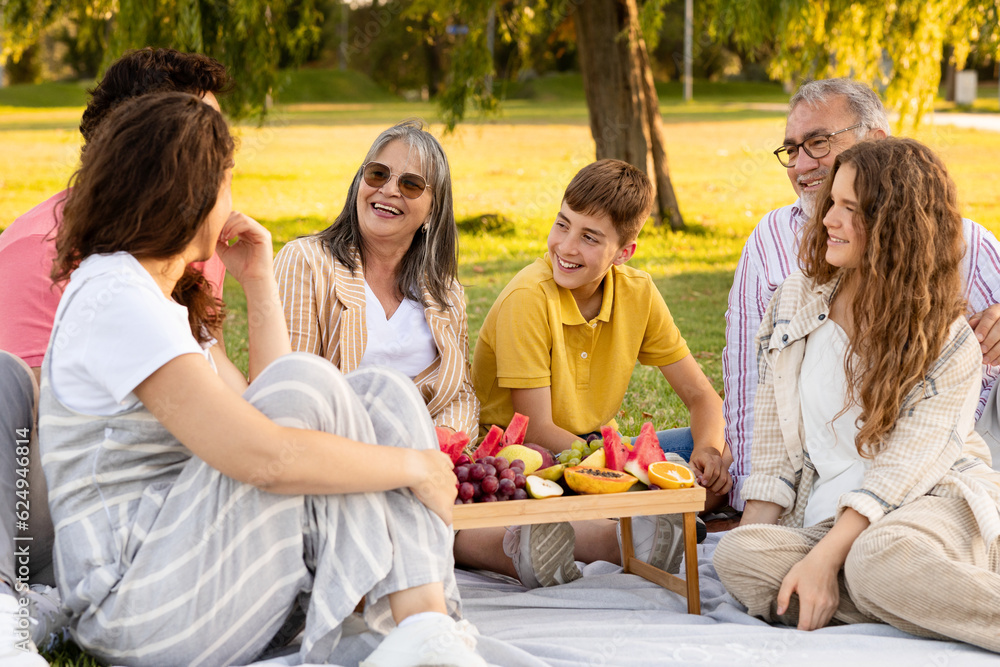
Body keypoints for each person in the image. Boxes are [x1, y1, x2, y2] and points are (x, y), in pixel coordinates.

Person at [38, 92, 486, 667]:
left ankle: (426, 630)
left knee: (381, 392)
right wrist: (415, 466)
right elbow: (263, 455)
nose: (231, 199)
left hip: (196, 577)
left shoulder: (153, 299)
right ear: (185, 191)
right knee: (318, 382)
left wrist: (257, 280)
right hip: (134, 606)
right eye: (225, 182)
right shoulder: (115, 297)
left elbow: (269, 405)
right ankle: (419, 638)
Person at [713, 138, 1000, 652]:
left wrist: (824, 560)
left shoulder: (948, 338)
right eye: (832, 204)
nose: (828, 219)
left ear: (893, 226)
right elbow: (775, 448)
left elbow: (902, 472)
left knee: (873, 558)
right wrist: (748, 538)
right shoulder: (795, 300)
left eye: (851, 209)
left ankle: (890, 580)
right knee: (740, 558)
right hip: (825, 515)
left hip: (929, 501)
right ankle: (912, 593)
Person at [0, 47, 231, 665]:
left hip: (155, 511)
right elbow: (34, 423)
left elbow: (242, 399)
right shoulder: (37, 245)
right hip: (39, 504)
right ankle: (11, 599)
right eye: (194, 138)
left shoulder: (190, 252)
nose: (211, 159)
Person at [722, 78, 1000, 510]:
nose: (801, 165)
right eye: (792, 149)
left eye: (818, 142)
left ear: (875, 142)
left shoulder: (968, 243)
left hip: (941, 463)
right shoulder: (769, 241)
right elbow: (748, 377)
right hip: (819, 472)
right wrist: (746, 496)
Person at [458, 160, 729, 588]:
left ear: (624, 252)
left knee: (719, 443)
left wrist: (710, 454)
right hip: (528, 459)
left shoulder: (637, 292)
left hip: (594, 447)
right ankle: (625, 535)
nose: (565, 247)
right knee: (554, 496)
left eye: (589, 237)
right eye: (562, 225)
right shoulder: (528, 299)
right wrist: (631, 474)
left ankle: (651, 517)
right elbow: (540, 430)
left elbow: (702, 396)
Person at [273, 120, 477, 438]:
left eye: (411, 184)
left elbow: (461, 394)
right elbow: (294, 389)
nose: (389, 190)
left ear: (433, 211)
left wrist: (444, 439)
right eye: (378, 174)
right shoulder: (305, 262)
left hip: (424, 462)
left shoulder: (446, 294)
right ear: (360, 182)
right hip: (333, 453)